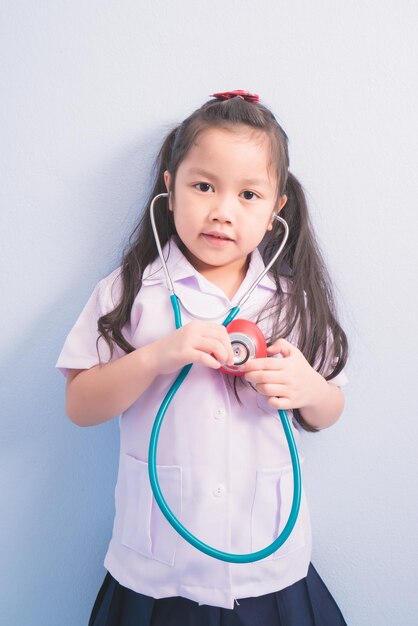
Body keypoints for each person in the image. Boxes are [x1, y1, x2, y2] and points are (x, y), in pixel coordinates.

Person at [57, 90, 349, 625]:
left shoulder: (292, 303)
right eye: (203, 186)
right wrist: (156, 356)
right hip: (158, 567)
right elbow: (80, 404)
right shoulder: (130, 292)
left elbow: (328, 409)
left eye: (249, 196)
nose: (221, 211)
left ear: (276, 209)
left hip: (268, 560)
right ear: (169, 189)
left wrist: (308, 389)